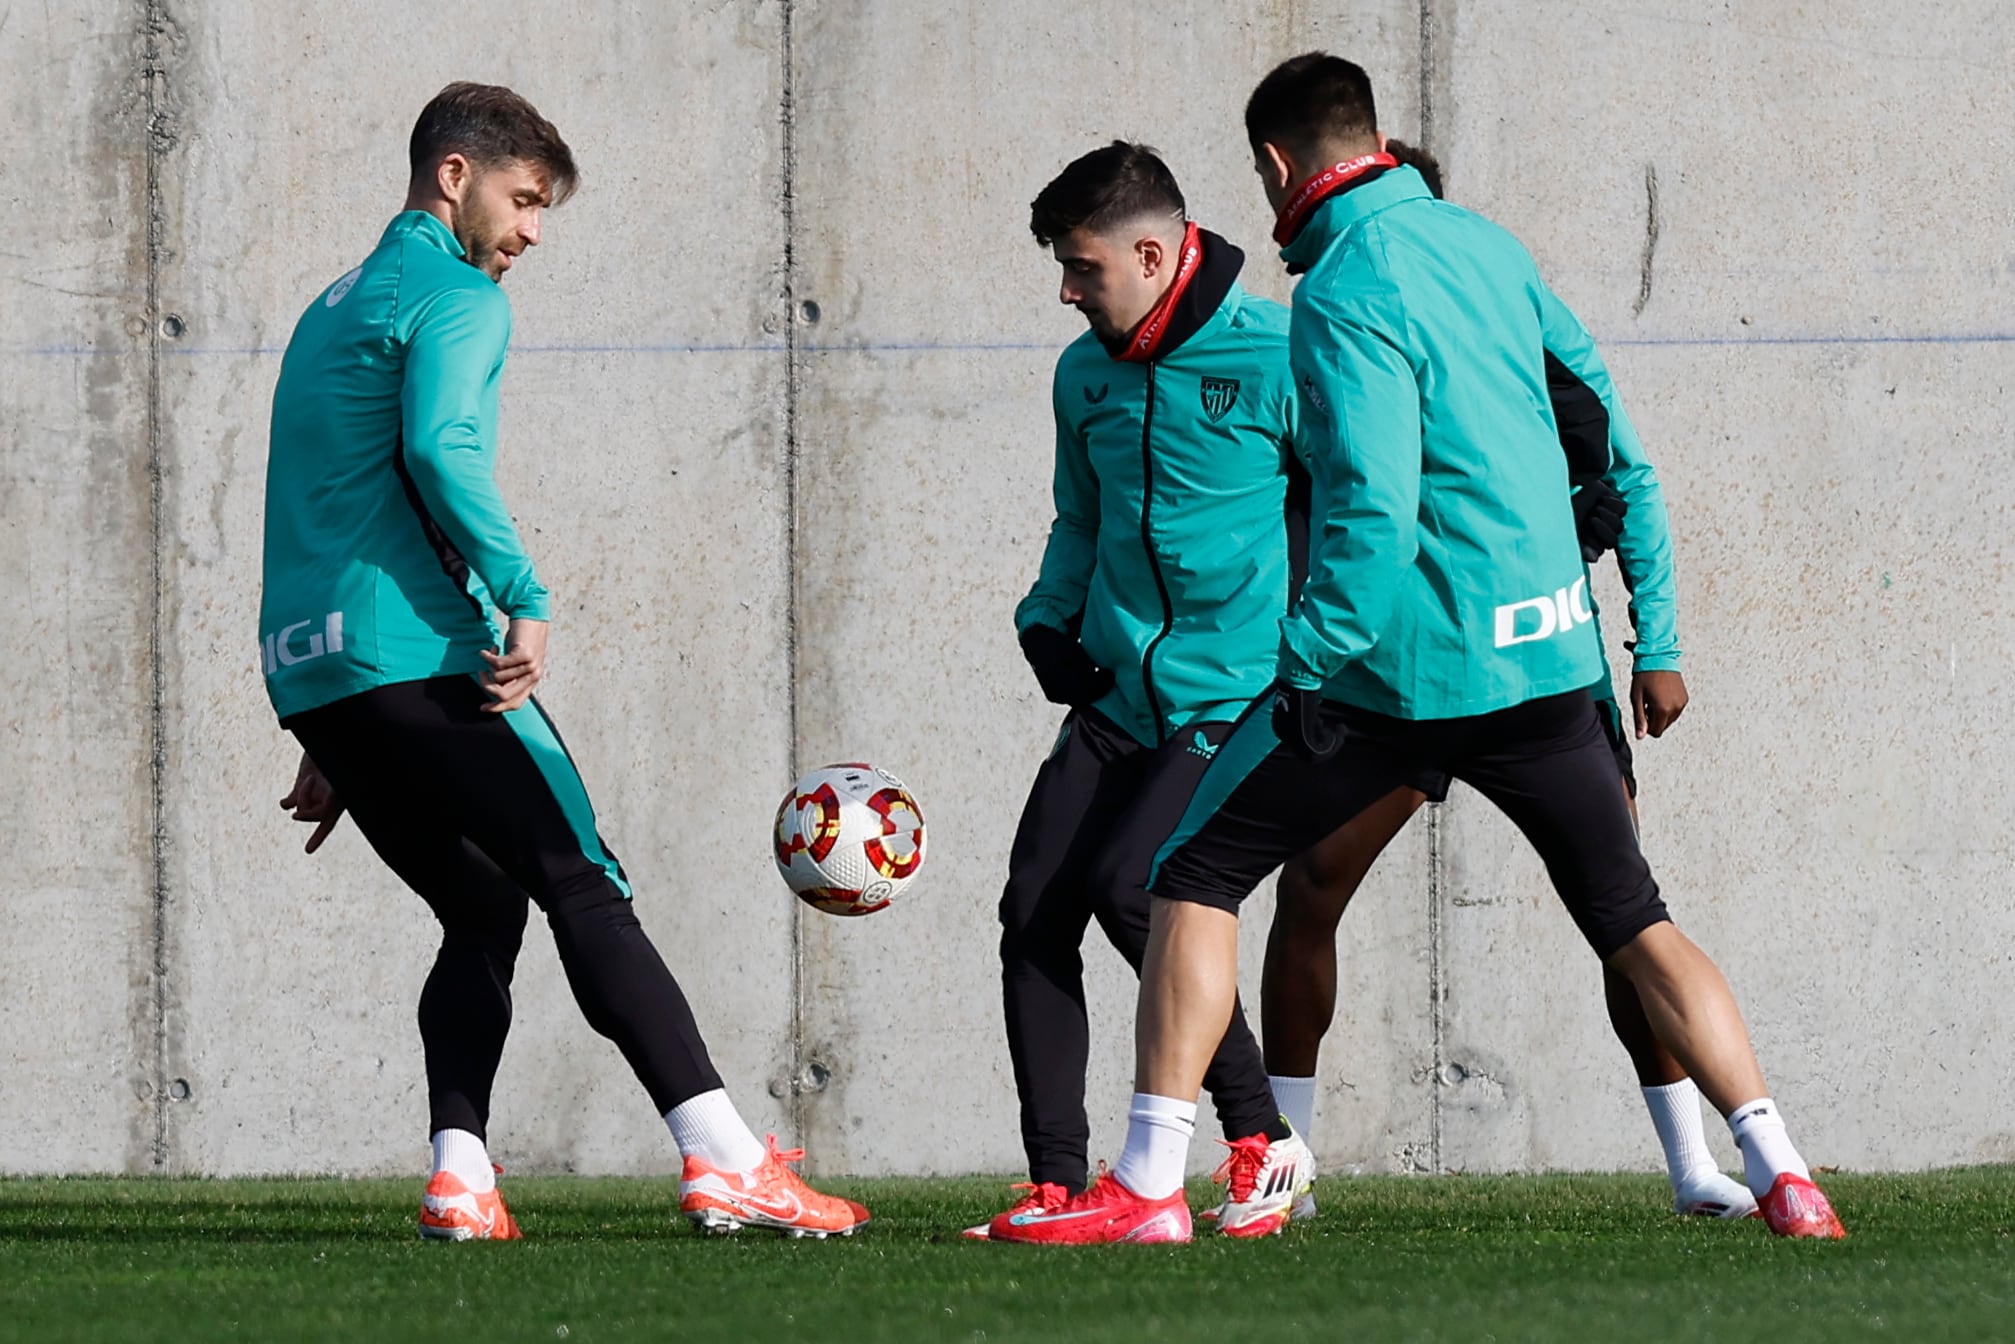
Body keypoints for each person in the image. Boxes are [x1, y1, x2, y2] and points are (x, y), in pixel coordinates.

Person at [998, 53, 1844, 1245]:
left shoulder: (1339, 290)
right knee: (1634, 919)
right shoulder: (1490, 248)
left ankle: (1148, 1186)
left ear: (1279, 167)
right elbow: (1613, 439)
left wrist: (1304, 658)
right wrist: (1653, 628)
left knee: (1186, 878)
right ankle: (1782, 1170)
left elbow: (1374, 514)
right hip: (1543, 668)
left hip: (1391, 681)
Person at [261, 81, 867, 1241]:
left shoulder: (328, 307)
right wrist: (525, 598)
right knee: (584, 880)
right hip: (421, 653)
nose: (532, 232)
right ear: (454, 177)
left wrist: (330, 716)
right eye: (524, 199)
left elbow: (307, 497)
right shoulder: (455, 295)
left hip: (318, 673)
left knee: (481, 909)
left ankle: (459, 1175)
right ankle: (723, 1158)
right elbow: (438, 447)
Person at [1258, 139, 1757, 1223]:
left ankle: (1693, 1167)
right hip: (1396, 683)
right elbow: (1321, 505)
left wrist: (1656, 644)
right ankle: (1282, 1169)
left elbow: (1625, 472)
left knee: (1618, 918)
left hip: (1536, 676)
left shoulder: (1503, 320)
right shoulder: (1349, 334)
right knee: (1309, 891)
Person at [974, 141, 1314, 1241]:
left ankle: (1261, 1142)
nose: (1066, 291)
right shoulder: (1083, 370)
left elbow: (1350, 506)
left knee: (1140, 890)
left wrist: (1318, 656)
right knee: (1032, 913)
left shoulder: (1278, 351)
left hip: (1237, 695)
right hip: (1120, 697)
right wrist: (1044, 618)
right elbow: (1080, 518)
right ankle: (1058, 1186)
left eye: (1082, 269)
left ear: (1155, 253)